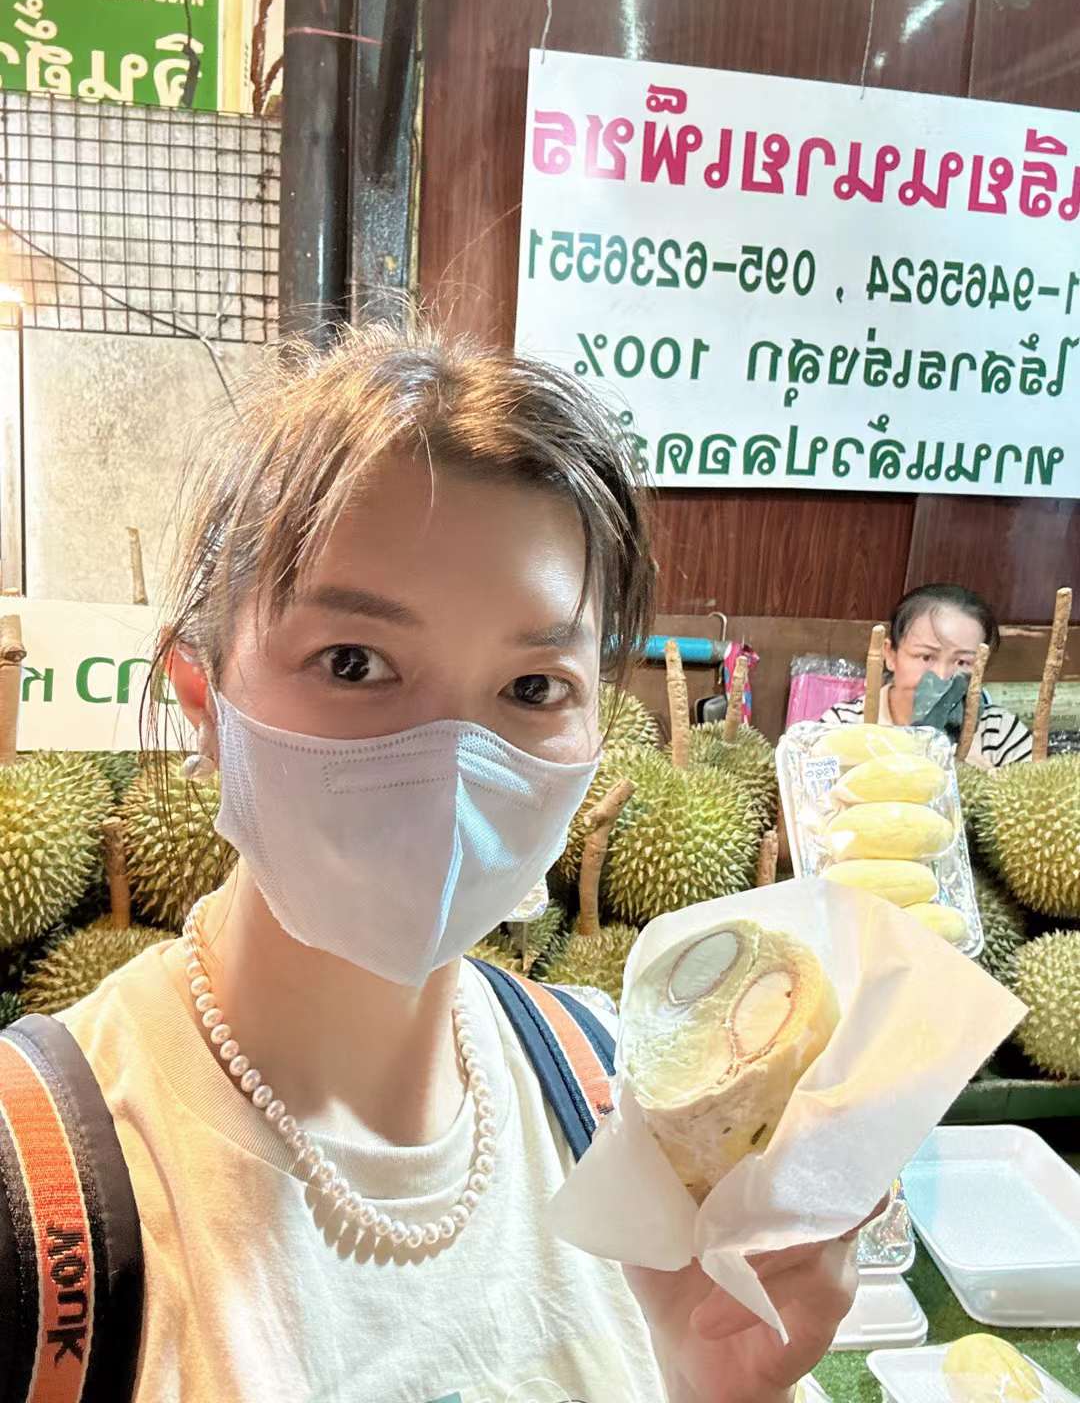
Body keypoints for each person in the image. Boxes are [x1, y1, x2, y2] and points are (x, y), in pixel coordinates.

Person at [40, 325, 868, 1402]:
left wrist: (725, 1389)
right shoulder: (40, 1197)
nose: (451, 762)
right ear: (203, 695)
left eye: (534, 687)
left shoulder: (629, 1106)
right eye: (353, 662)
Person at [821, 584, 1032, 767]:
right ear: (891, 655)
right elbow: (811, 785)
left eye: (962, 662)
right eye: (926, 657)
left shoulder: (999, 732)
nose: (941, 676)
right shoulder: (843, 723)